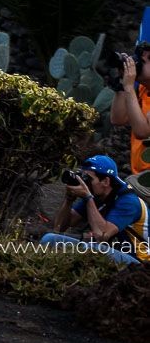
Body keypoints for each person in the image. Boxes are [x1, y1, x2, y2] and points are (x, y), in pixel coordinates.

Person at [40, 155, 150, 266]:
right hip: (115, 252)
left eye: (89, 179)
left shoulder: (129, 201)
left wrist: (88, 197)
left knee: (88, 249)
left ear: (106, 181)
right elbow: (59, 227)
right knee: (49, 239)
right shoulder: (97, 194)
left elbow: (101, 235)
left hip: (140, 262)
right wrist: (69, 199)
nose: (85, 183)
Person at [111, 43, 150, 176]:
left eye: (145, 60)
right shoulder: (143, 90)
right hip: (140, 175)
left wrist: (129, 87)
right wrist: (123, 83)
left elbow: (142, 132)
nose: (138, 64)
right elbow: (118, 119)